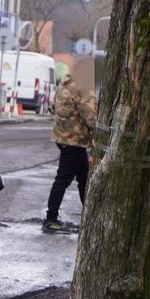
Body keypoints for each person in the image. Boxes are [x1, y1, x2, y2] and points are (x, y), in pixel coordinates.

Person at [42, 73, 97, 234]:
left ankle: (89, 216)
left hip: (63, 138)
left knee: (83, 178)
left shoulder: (64, 85)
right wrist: (99, 131)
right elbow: (90, 115)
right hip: (74, 140)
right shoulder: (82, 88)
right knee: (63, 180)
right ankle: (50, 218)